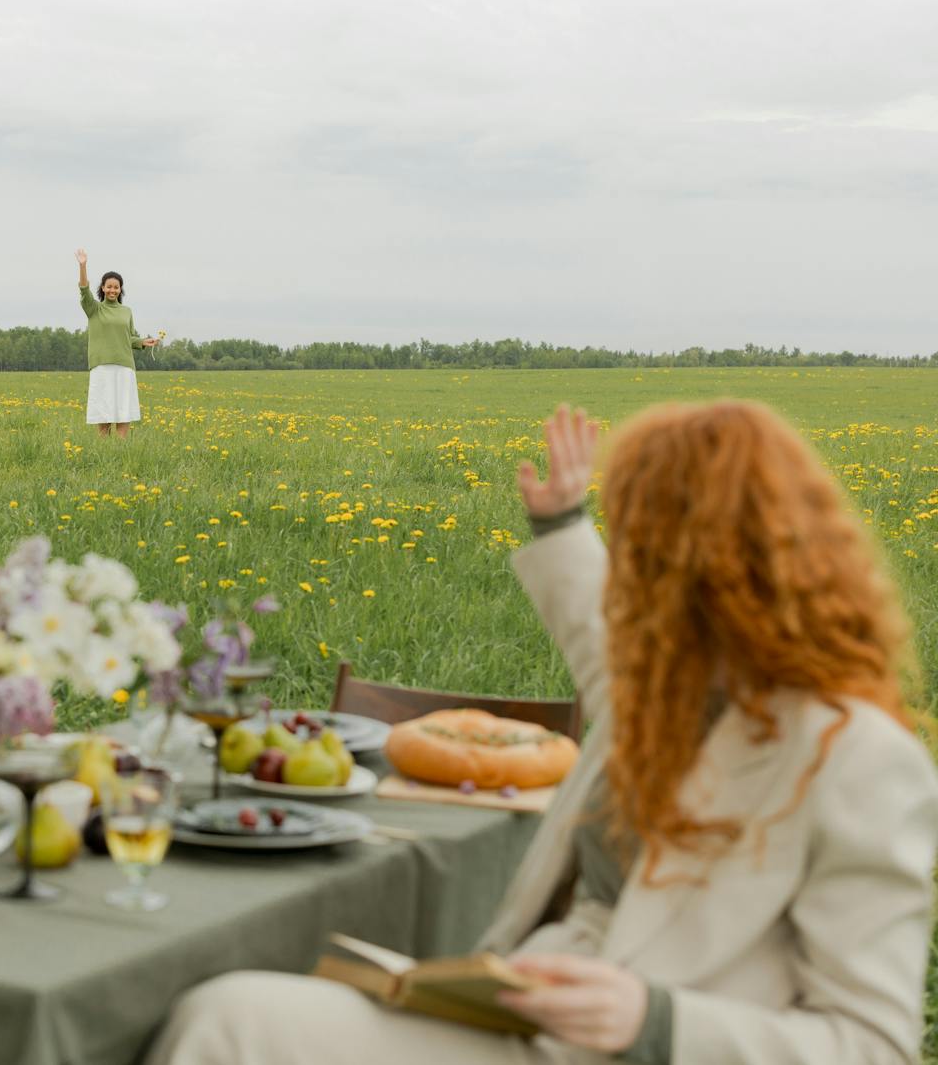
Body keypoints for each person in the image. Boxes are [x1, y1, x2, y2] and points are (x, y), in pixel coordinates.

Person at [147, 401, 938, 1064]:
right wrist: (562, 521)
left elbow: (875, 1043)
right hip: (525, 1010)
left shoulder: (861, 759)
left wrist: (657, 1022)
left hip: (619, 1047)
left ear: (722, 570)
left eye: (645, 548)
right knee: (231, 1017)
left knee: (231, 1024)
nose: (627, 568)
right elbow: (601, 640)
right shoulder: (668, 683)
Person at [76, 248, 156, 438]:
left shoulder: (126, 311)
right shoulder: (94, 308)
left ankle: (120, 447)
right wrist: (83, 266)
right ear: (103, 288)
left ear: (120, 290)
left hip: (124, 365)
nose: (112, 290)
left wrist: (143, 341)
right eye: (109, 286)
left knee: (123, 407)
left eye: (116, 287)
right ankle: (104, 447)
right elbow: (84, 289)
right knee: (103, 407)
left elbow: (129, 337)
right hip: (102, 365)